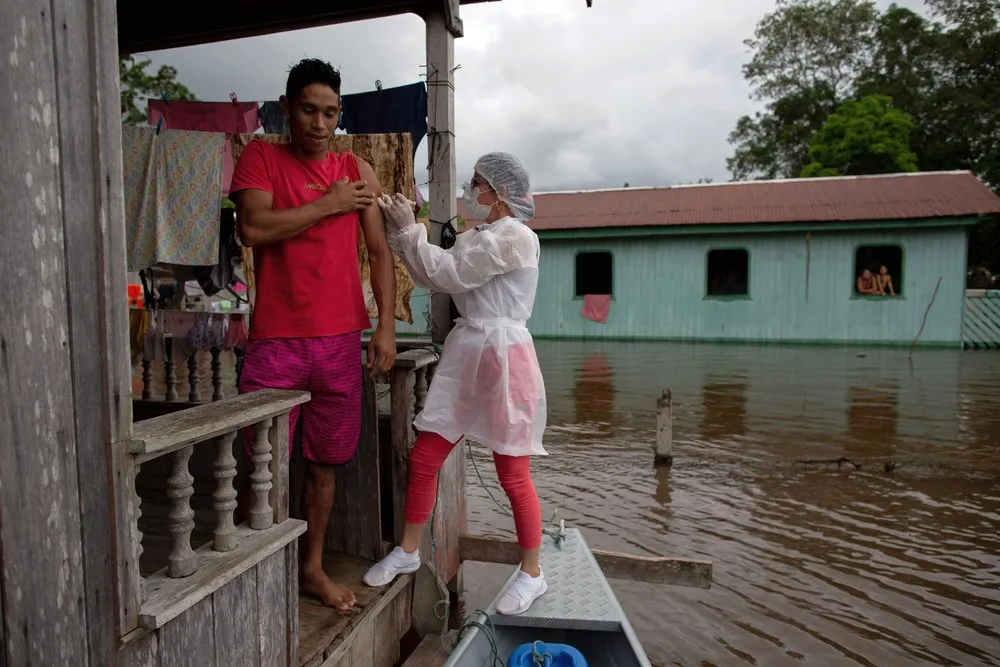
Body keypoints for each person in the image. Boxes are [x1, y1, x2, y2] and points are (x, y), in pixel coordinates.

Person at [229, 58, 397, 611]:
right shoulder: (260, 157)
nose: (320, 124)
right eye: (308, 110)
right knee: (262, 463)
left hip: (339, 342)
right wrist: (327, 204)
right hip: (276, 341)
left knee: (325, 465)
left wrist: (386, 328)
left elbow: (378, 252)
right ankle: (255, 571)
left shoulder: (358, 170)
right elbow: (253, 228)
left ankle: (310, 568)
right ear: (286, 107)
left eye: (330, 113)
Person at [364, 152, 549, 616]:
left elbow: (447, 274)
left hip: (505, 354)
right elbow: (435, 272)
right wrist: (407, 227)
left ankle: (532, 573)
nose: (471, 191)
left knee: (513, 473)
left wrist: (409, 230)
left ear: (500, 194)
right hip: (468, 349)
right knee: (427, 454)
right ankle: (408, 551)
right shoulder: (478, 236)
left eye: (477, 184)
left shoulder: (518, 238)